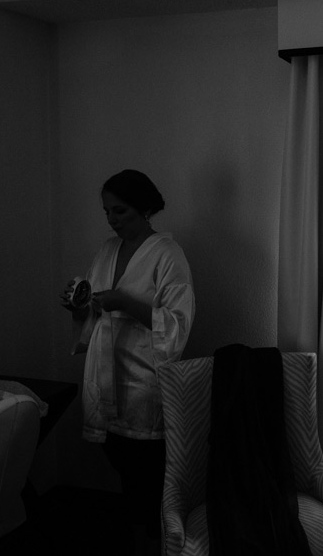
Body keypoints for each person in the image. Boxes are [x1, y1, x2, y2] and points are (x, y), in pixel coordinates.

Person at [60, 169, 195, 555]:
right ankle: (138, 538)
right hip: (105, 374)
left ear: (145, 208)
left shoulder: (169, 256)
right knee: (122, 465)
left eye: (120, 212)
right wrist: (79, 305)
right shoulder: (106, 250)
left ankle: (156, 542)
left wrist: (126, 303)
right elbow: (93, 309)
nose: (111, 220)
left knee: (147, 474)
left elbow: (178, 324)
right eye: (107, 212)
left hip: (143, 382)